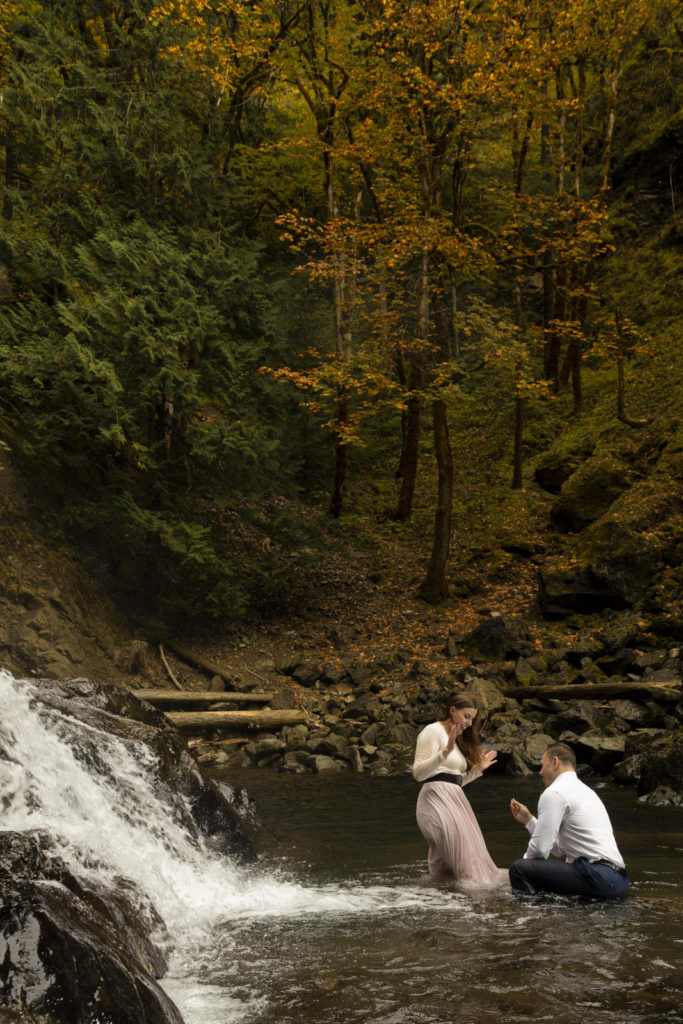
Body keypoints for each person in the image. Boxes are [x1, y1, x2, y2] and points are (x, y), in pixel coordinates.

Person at [509, 741, 630, 898]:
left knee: (518, 869)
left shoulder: (554, 792)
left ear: (555, 762)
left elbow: (539, 850)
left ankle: (535, 917)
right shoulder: (586, 791)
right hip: (618, 880)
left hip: (597, 876)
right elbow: (559, 849)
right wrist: (529, 820)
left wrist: (523, 870)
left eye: (543, 765)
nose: (540, 772)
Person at [412, 692, 508, 887]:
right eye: (466, 716)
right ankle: (475, 905)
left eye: (472, 718)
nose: (470, 723)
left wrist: (478, 770)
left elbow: (455, 782)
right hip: (435, 801)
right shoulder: (433, 731)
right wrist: (443, 753)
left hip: (455, 799)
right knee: (466, 860)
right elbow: (418, 774)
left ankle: (440, 903)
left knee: (448, 868)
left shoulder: (458, 739)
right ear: (452, 710)